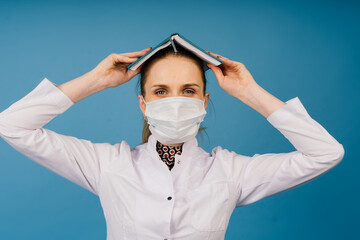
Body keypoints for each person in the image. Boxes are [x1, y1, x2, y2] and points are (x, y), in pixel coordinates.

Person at [0, 43, 344, 240]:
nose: (175, 101)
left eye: (189, 91)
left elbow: (325, 153)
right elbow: (12, 125)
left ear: (205, 102)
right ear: (143, 103)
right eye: (161, 91)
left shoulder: (231, 171)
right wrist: (95, 80)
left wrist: (249, 92)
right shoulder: (108, 165)